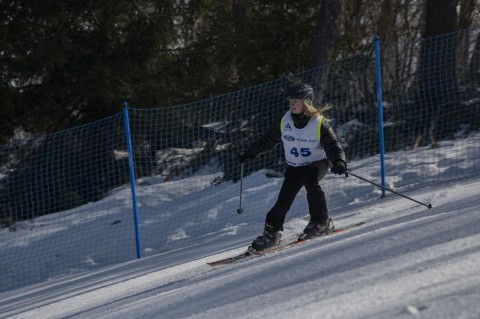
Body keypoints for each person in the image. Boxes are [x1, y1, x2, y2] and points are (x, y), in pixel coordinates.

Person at [239, 82, 348, 252]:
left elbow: (333, 145)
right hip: (295, 166)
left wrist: (339, 161)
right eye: (290, 100)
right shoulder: (285, 121)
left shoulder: (319, 122)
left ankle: (321, 221)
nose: (291, 104)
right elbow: (268, 140)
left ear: (307, 102)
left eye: (296, 101)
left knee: (310, 180)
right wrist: (250, 153)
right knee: (284, 199)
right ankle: (271, 233)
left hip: (317, 163)